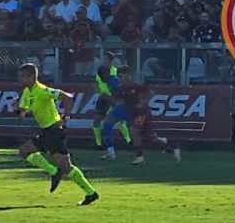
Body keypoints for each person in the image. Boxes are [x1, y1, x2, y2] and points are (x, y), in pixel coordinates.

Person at [13, 63, 99, 206]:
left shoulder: (42, 90)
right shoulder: (28, 92)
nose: (20, 79)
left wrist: (65, 118)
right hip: (46, 132)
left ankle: (85, 189)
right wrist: (16, 108)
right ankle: (87, 191)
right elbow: (22, 115)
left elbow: (68, 98)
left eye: (23, 76)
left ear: (32, 77)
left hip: (54, 131)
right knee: (28, 153)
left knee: (62, 165)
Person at [115, 66, 180, 166]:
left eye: (121, 76)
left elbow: (150, 93)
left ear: (128, 75)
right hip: (133, 114)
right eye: (118, 77)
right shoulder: (121, 89)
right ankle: (173, 150)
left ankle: (139, 157)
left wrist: (142, 102)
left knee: (134, 131)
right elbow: (120, 101)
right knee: (151, 139)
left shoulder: (136, 86)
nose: (120, 79)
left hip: (143, 113)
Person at [92, 52, 130, 149]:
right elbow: (97, 83)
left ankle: (128, 139)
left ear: (111, 60)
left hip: (112, 98)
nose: (104, 61)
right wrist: (99, 91)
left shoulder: (115, 71)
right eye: (103, 59)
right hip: (103, 97)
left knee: (118, 121)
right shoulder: (100, 70)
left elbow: (117, 86)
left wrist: (113, 97)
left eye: (106, 59)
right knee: (96, 120)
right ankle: (98, 143)